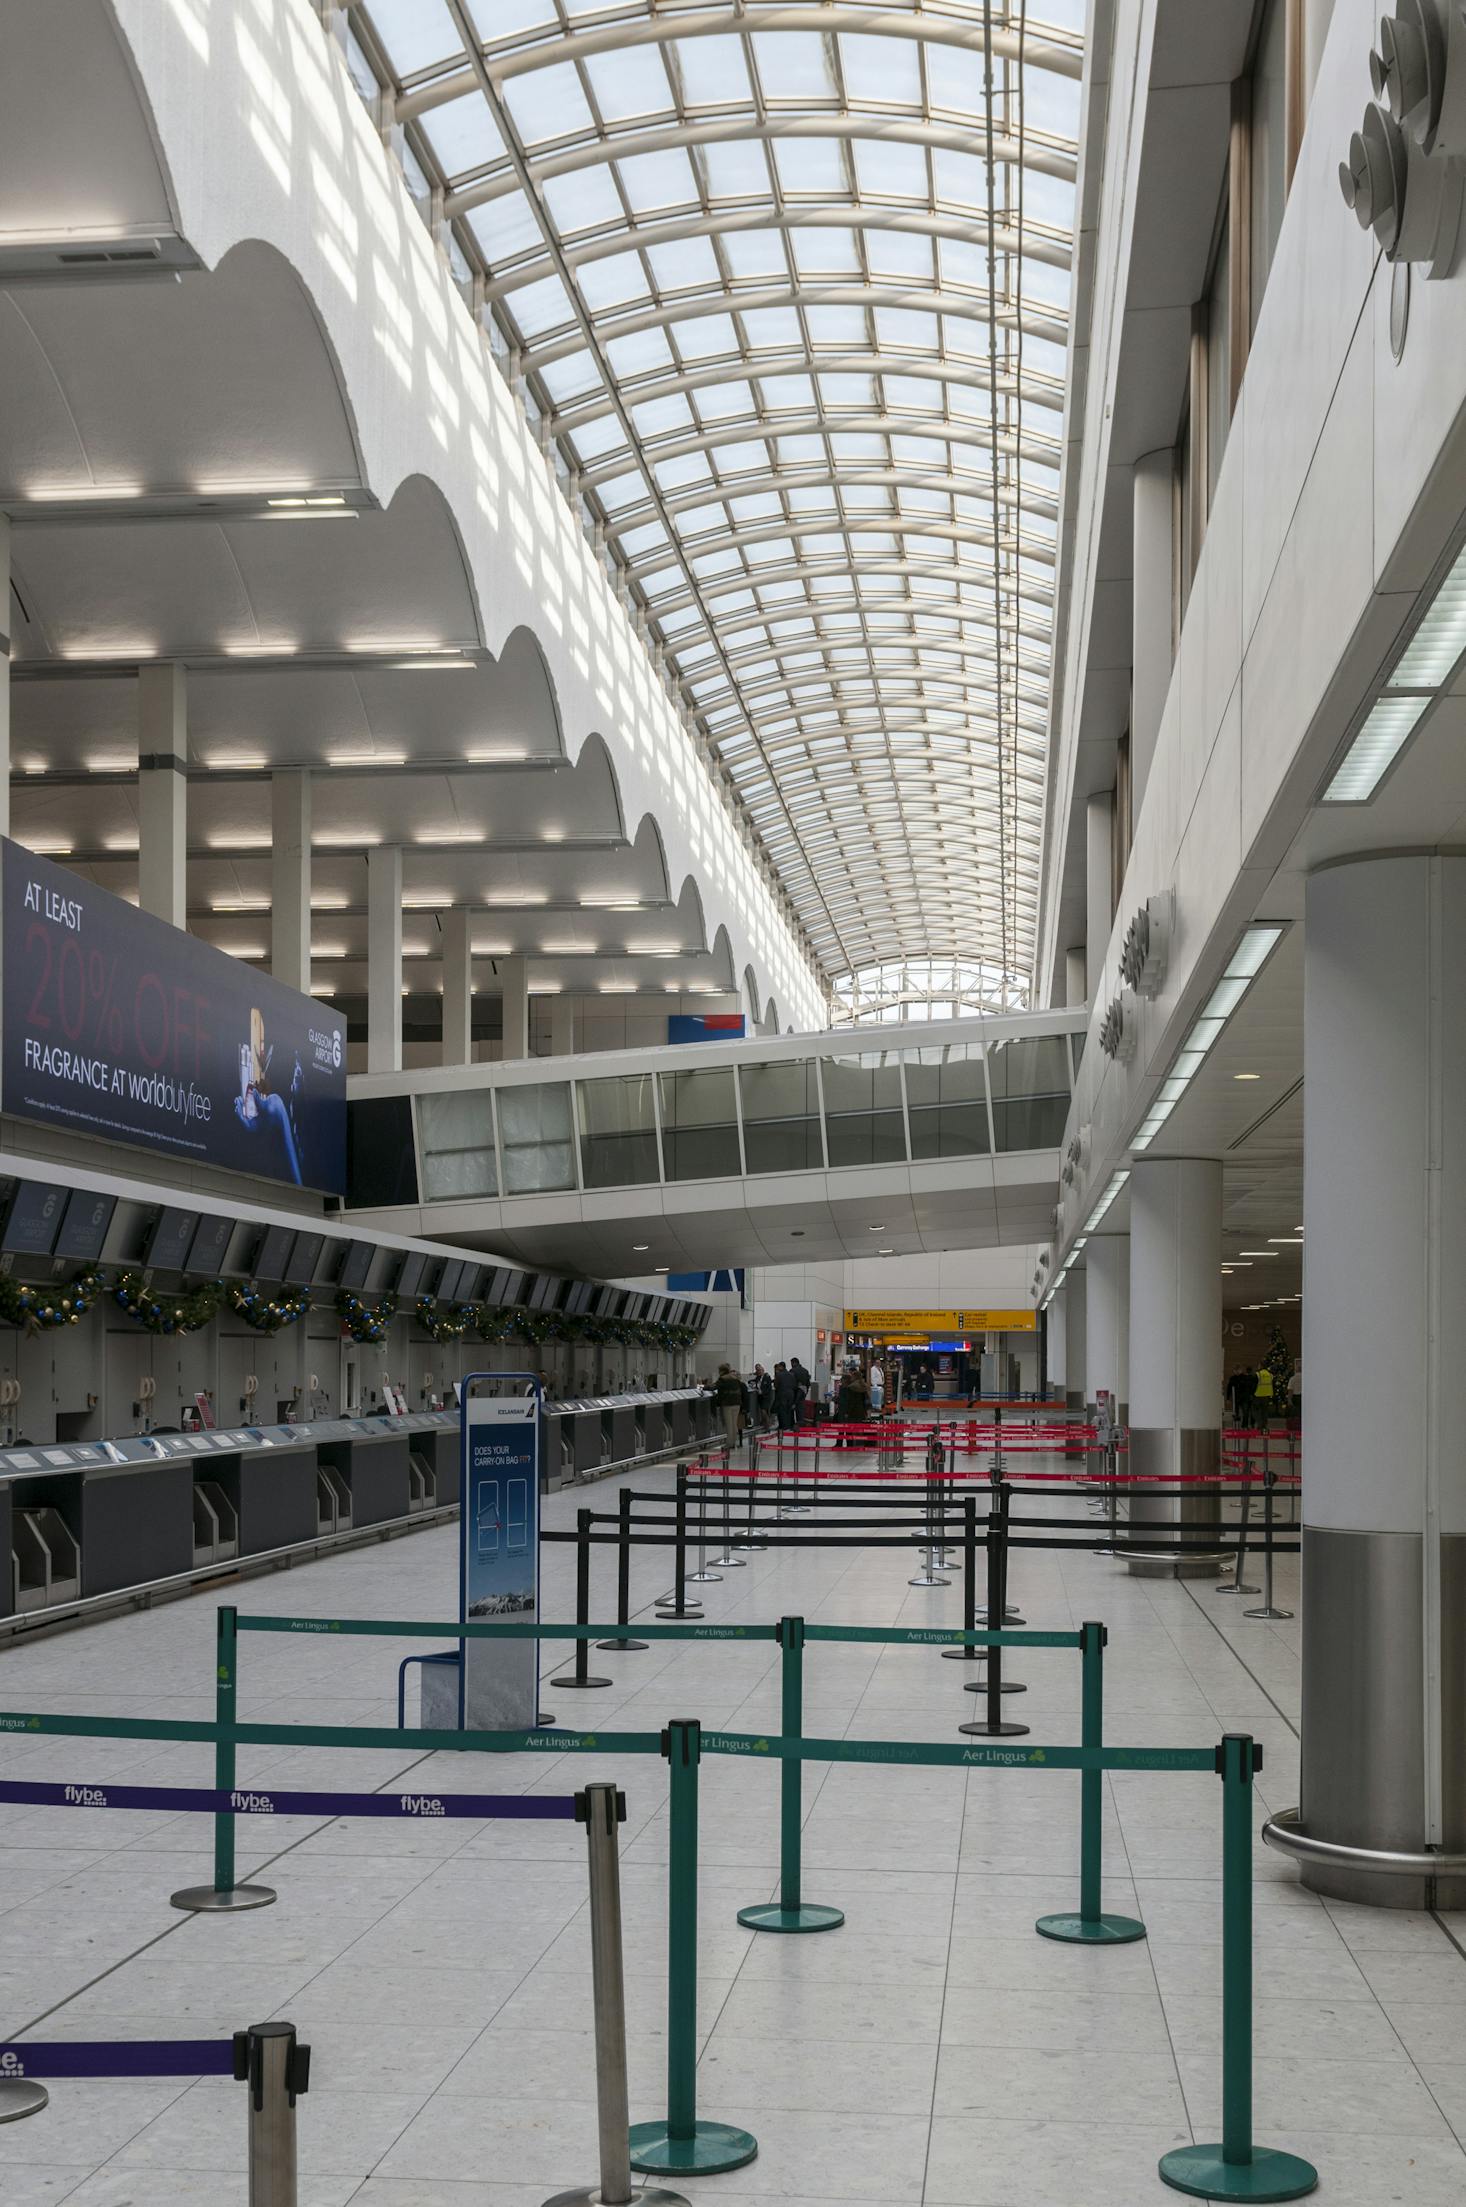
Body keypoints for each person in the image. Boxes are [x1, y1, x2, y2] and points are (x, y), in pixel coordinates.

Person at [711, 1363, 743, 1456]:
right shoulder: (735, 1378)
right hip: (737, 1403)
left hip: (727, 1403)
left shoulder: (723, 1379)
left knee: (729, 1424)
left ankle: (729, 1444)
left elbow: (714, 1387)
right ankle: (734, 1442)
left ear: (721, 1371)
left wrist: (704, 1387)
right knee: (734, 1424)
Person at [773, 1360, 797, 1433]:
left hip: (782, 1394)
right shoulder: (791, 1374)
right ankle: (790, 1425)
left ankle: (783, 1426)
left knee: (782, 1410)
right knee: (789, 1410)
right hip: (791, 1394)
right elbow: (794, 1385)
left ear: (781, 1367)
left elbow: (776, 1385)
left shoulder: (779, 1375)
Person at [1253, 1360, 1275, 1432]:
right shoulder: (1270, 1374)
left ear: (1261, 1366)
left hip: (1258, 1394)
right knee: (1265, 1411)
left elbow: (1254, 1385)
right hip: (1267, 1395)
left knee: (1256, 1411)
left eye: (1259, 1365)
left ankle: (1260, 1425)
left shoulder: (1258, 1374)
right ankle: (1264, 1425)